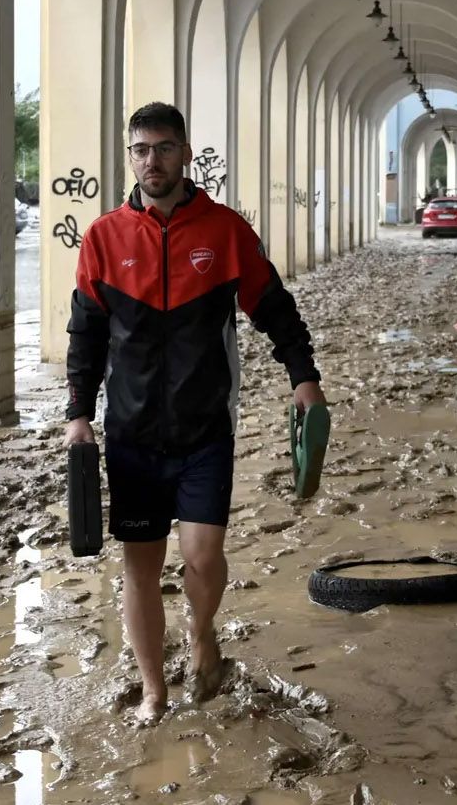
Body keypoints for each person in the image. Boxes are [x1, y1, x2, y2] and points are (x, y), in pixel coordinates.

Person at [65, 101, 325, 724]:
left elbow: (274, 309)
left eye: (162, 148)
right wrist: (78, 413)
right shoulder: (103, 237)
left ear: (185, 152)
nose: (151, 161)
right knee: (141, 568)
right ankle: (154, 690)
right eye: (140, 150)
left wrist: (304, 378)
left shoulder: (225, 230)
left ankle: (202, 633)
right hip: (130, 435)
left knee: (203, 555)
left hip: (205, 429)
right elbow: (86, 334)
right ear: (130, 158)